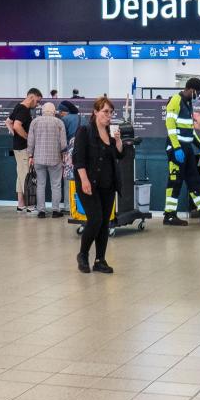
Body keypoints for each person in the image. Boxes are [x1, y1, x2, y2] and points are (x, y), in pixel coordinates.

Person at [73, 96, 124, 274]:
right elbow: (78, 160)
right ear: (95, 112)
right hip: (89, 183)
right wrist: (84, 180)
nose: (108, 115)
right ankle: (83, 254)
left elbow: (118, 156)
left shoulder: (111, 133)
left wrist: (118, 142)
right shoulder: (84, 131)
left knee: (104, 223)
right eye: (105, 112)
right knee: (95, 219)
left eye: (111, 112)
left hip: (108, 185)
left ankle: (100, 259)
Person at [163, 78, 200, 226]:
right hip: (177, 148)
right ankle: (169, 215)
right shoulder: (175, 101)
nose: (198, 96)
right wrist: (176, 148)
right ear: (191, 89)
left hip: (187, 148)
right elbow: (170, 126)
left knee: (194, 180)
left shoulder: (188, 103)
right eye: (198, 93)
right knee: (175, 181)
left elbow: (189, 129)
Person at [26, 102, 67, 219]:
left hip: (38, 158)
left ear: (42, 111)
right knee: (56, 185)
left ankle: (41, 211)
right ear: (54, 112)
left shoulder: (35, 122)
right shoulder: (59, 122)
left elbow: (30, 142)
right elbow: (63, 142)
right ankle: (55, 210)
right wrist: (64, 154)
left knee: (40, 185)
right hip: (55, 159)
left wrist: (30, 156)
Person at [10, 88, 42, 213]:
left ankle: (21, 204)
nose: (37, 104)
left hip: (17, 147)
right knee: (26, 176)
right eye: (37, 101)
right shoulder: (24, 110)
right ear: (32, 97)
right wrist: (28, 138)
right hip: (22, 148)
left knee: (21, 175)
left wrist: (15, 134)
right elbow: (17, 125)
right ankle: (30, 206)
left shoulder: (19, 106)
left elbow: (9, 122)